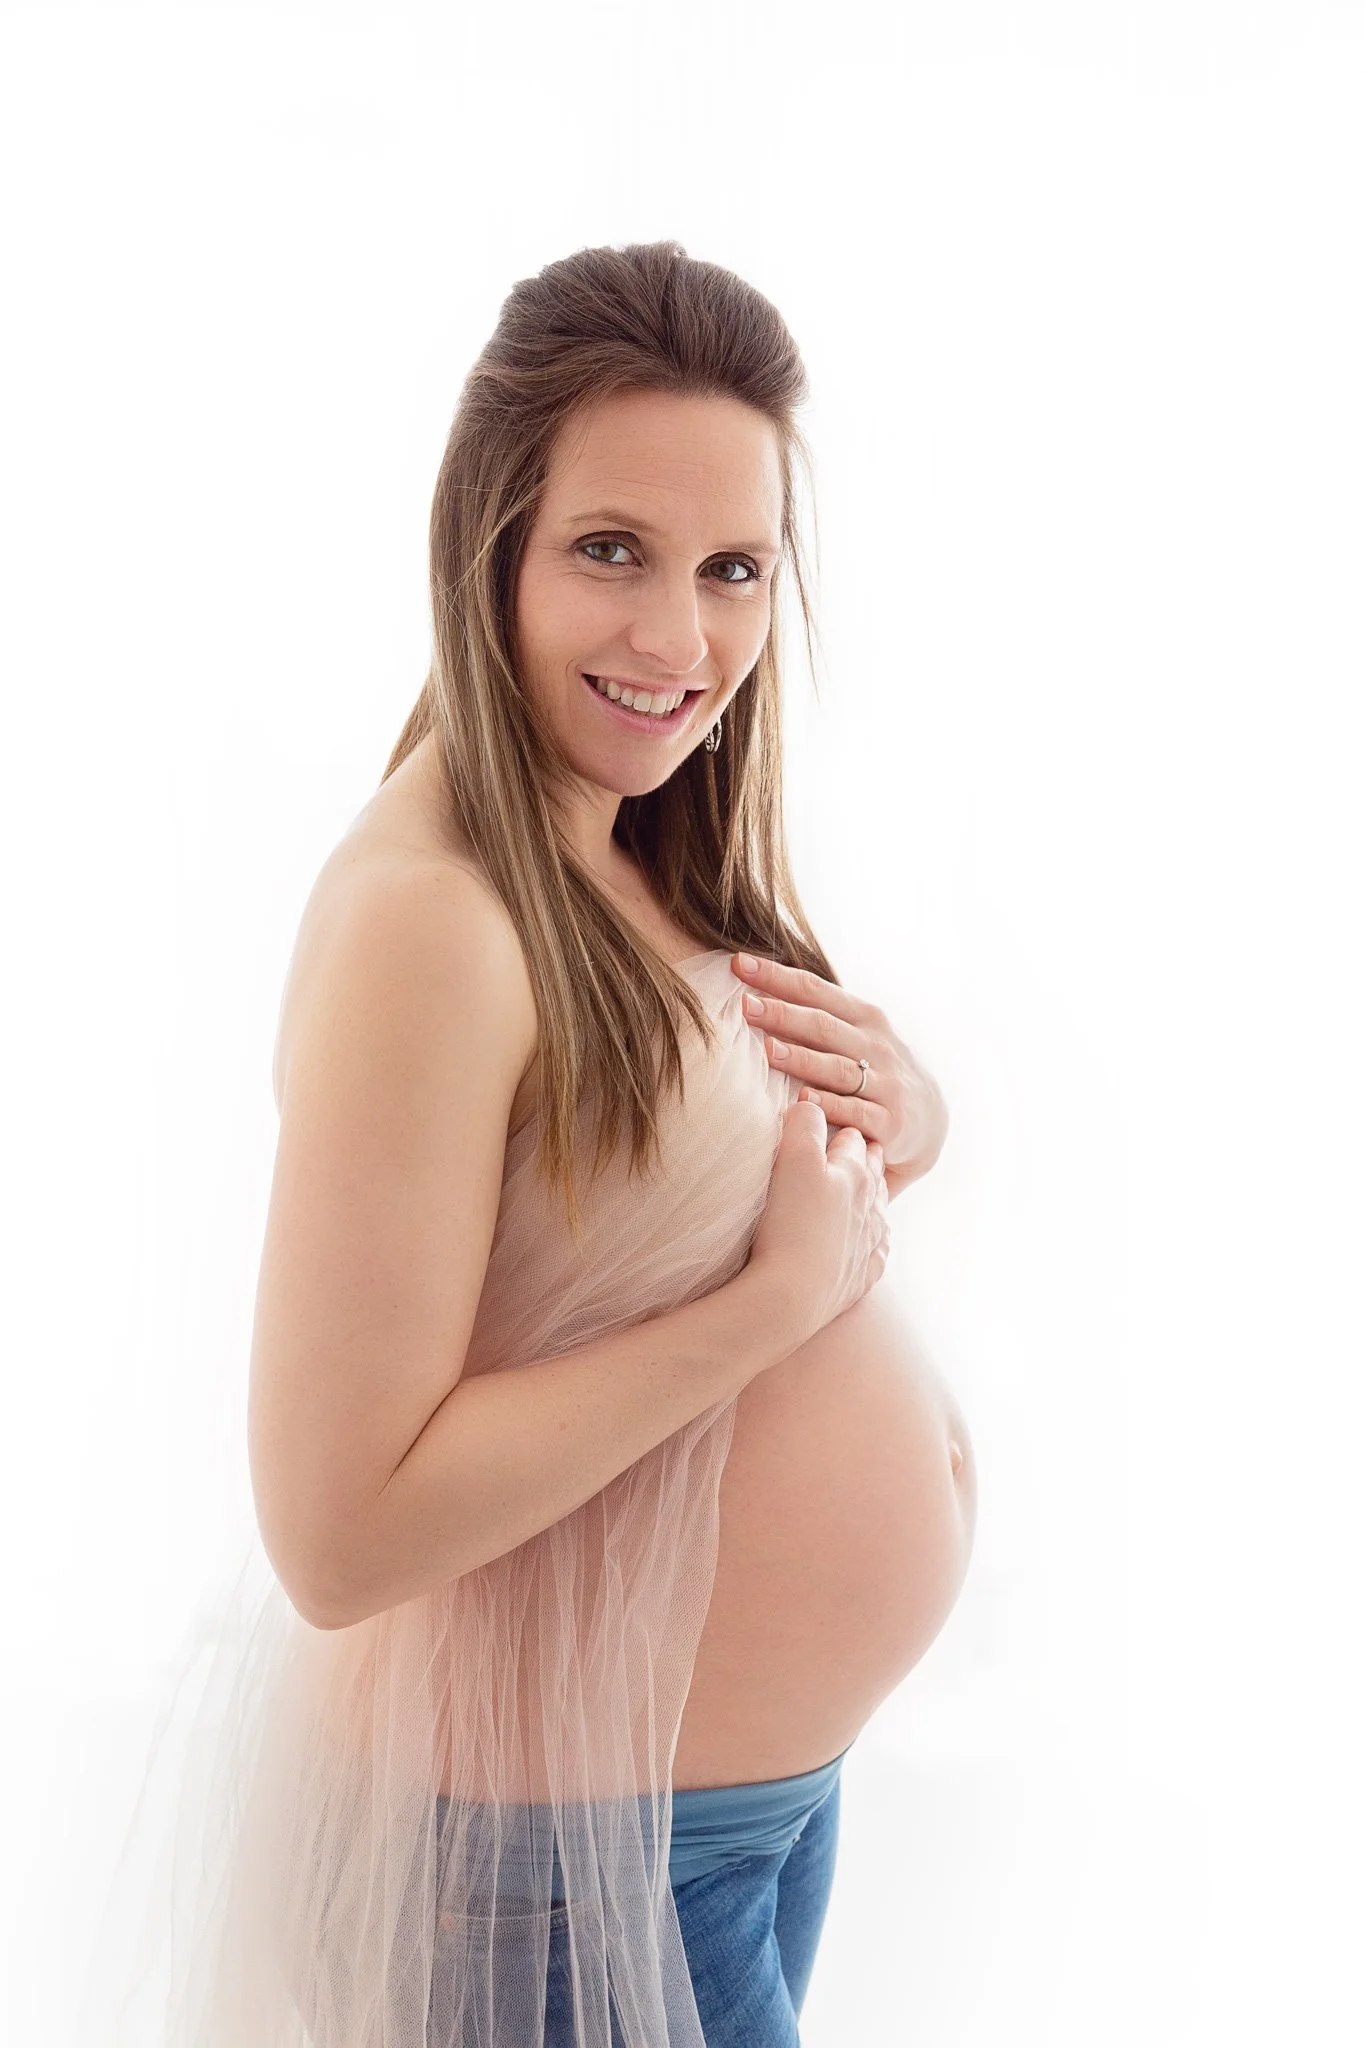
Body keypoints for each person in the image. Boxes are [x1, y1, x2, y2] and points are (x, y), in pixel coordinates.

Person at [77, 238, 976, 2048]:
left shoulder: (618, 841)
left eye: (735, 571)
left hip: (708, 1828)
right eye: (611, 551)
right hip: (558, 1884)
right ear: (485, 536)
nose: (681, 641)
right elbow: (341, 1527)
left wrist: (902, 1122)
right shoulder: (436, 920)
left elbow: (636, 1219)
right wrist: (774, 1308)